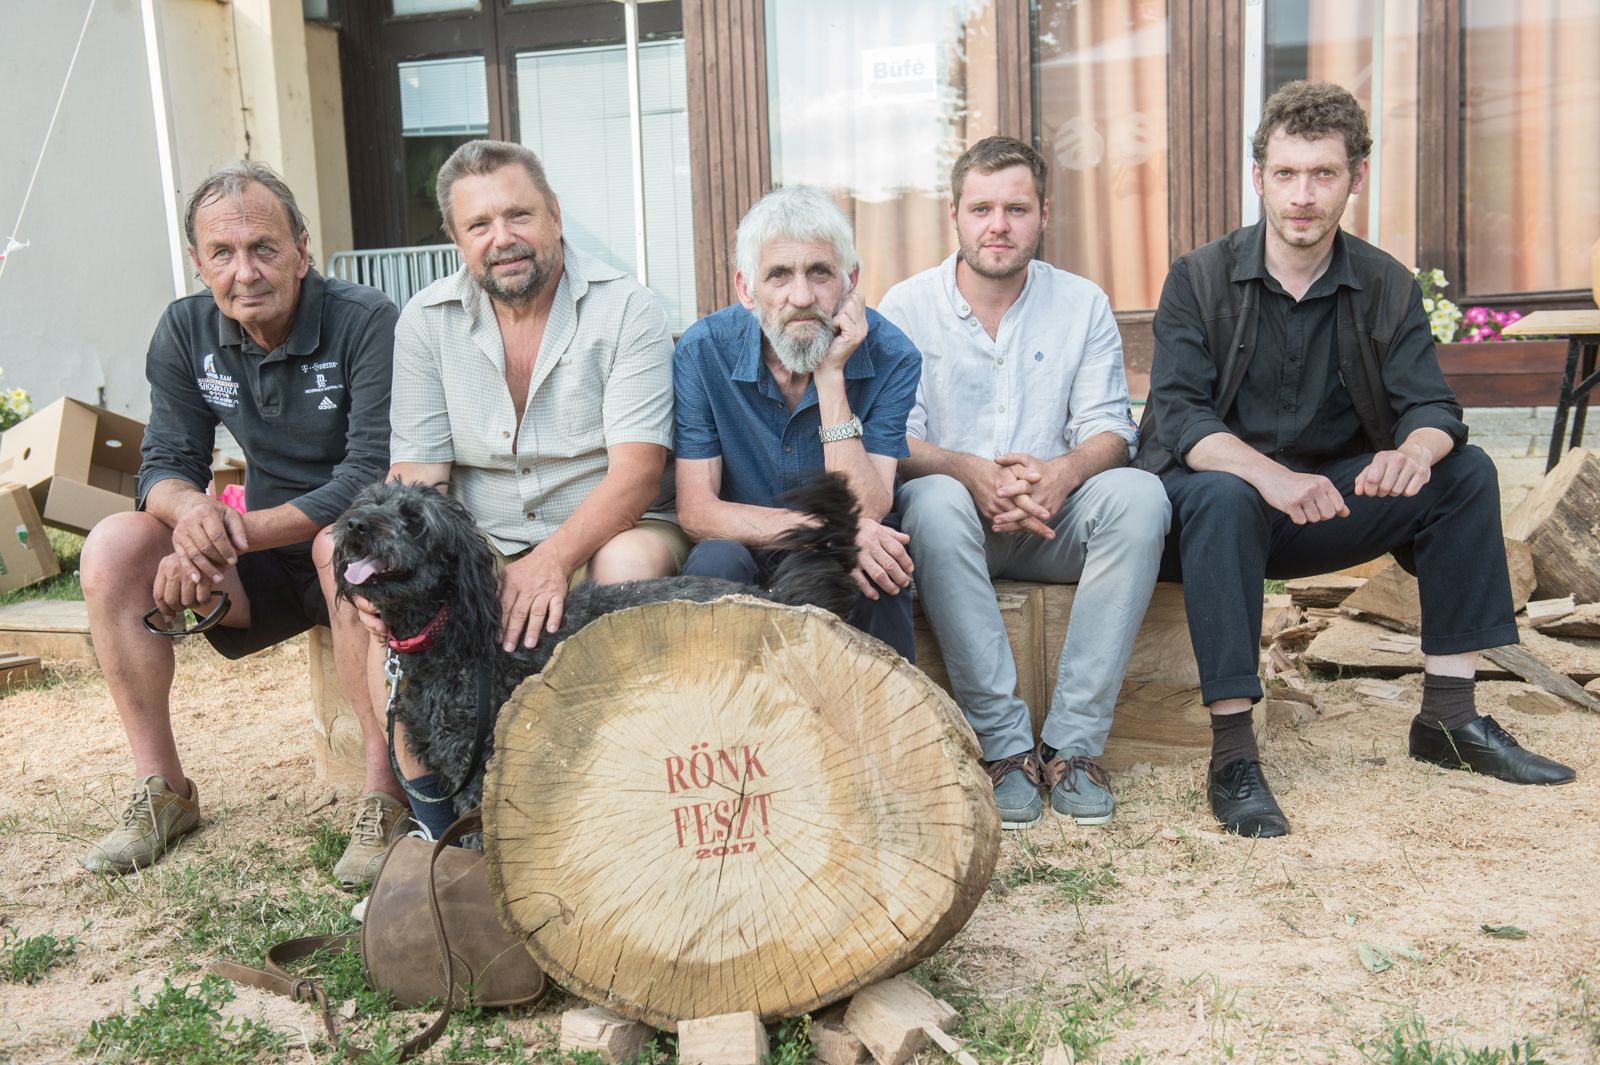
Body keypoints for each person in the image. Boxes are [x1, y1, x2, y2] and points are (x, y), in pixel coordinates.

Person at [1137, 81, 1575, 839]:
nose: (1302, 195)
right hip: (1205, 517)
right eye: (1285, 173)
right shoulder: (1198, 278)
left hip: (1323, 508)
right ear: (1258, 177)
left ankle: (1448, 718)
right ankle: (1233, 756)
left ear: (1356, 178)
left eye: (1323, 174)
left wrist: (1414, 451)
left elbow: (1433, 406)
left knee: (1463, 471)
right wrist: (1271, 477)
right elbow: (1180, 416)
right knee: (1225, 494)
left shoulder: (1384, 284)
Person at [80, 162, 402, 884]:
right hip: (261, 558)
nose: (245, 272)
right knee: (114, 546)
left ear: (302, 251)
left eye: (263, 248)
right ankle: (163, 789)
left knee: (341, 539)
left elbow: (371, 472)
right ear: (199, 263)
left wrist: (233, 534)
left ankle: (386, 795)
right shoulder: (185, 328)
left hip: (358, 545)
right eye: (222, 253)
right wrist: (194, 515)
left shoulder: (366, 319)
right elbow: (164, 465)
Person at [368, 139, 683, 835]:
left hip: (610, 523)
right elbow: (417, 478)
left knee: (627, 565)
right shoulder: (424, 321)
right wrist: (396, 570)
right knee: (396, 598)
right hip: (479, 537)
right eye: (479, 224)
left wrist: (551, 559)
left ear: (555, 216)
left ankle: (625, 787)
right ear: (455, 239)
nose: (502, 238)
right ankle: (435, 826)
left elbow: (637, 474)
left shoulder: (627, 307)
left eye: (519, 215)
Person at [881, 137, 1169, 830]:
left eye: (1015, 208)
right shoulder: (906, 306)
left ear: (1043, 213)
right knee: (933, 498)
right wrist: (970, 471)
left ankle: (1074, 747)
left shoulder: (1082, 302)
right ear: (954, 214)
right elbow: (893, 438)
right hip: (952, 529)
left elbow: (1111, 428)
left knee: (1141, 497)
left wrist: (1062, 474)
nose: (998, 225)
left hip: (1051, 521)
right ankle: (1005, 749)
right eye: (981, 208)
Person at [672, 185, 921, 659]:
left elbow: (867, 509)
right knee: (715, 560)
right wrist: (826, 527)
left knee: (877, 566)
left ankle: (884, 709)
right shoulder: (703, 352)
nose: (801, 296)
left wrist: (830, 375)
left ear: (849, 281)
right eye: (779, 275)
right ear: (747, 289)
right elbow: (697, 512)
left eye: (819, 272)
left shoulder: (893, 355)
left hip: (848, 550)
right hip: (748, 541)